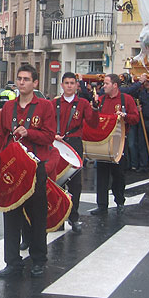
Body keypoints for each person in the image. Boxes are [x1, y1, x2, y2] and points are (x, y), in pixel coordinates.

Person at [0, 65, 56, 279]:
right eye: (19, 79)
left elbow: (49, 137)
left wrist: (29, 133)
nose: (22, 82)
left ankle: (38, 259)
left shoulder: (45, 106)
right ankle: (12, 261)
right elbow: (0, 136)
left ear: (35, 83)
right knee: (11, 214)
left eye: (26, 79)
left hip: (35, 167)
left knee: (37, 215)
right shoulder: (8, 107)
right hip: (13, 167)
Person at [52, 72, 99, 233]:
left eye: (72, 83)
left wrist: (95, 109)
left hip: (74, 143)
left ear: (76, 85)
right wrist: (53, 135)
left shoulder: (83, 103)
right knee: (57, 182)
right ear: (62, 85)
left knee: (75, 183)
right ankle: (57, 218)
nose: (69, 86)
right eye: (66, 83)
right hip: (57, 144)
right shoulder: (54, 103)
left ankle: (74, 217)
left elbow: (93, 124)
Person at [89, 74, 140, 215]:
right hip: (103, 141)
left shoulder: (126, 99)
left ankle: (120, 201)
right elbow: (93, 117)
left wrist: (125, 116)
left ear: (115, 85)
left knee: (118, 174)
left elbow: (136, 118)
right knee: (101, 173)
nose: (103, 86)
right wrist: (92, 108)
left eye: (106, 83)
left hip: (119, 141)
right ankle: (102, 205)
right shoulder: (101, 100)